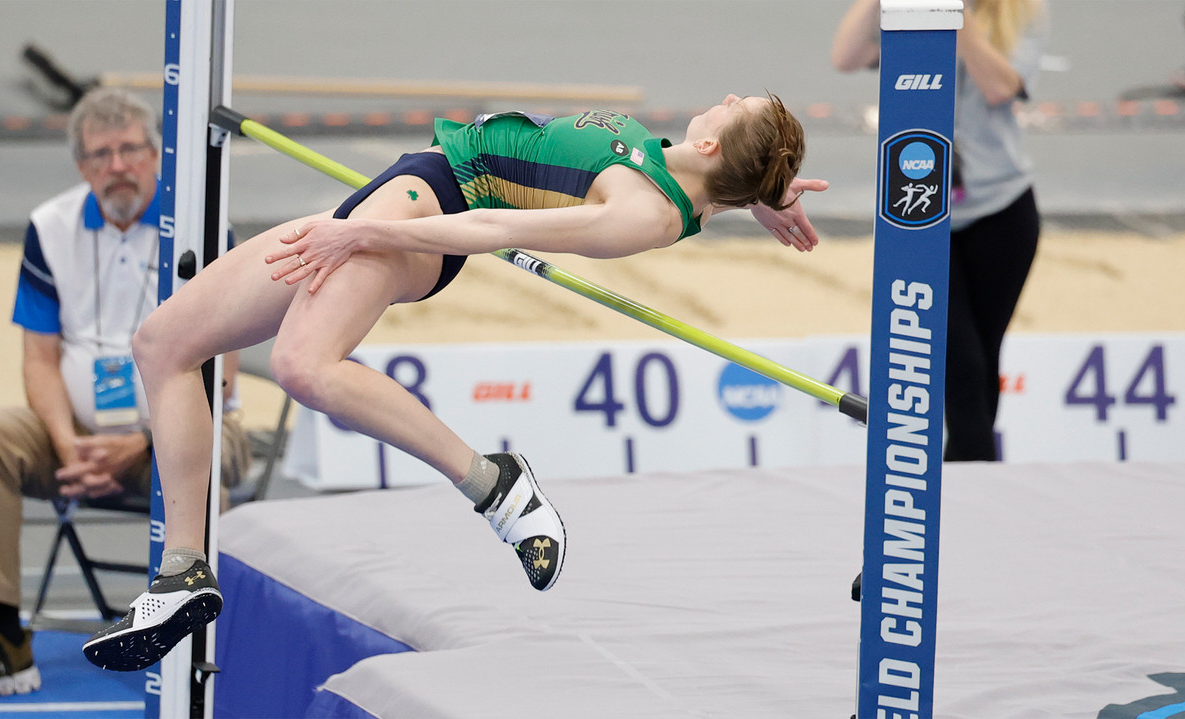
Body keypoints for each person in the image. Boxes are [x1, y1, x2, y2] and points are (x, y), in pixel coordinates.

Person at [81, 93, 828, 673]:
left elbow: (494, 229)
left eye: (738, 108)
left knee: (302, 364)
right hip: (408, 189)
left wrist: (365, 231)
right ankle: (183, 569)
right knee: (163, 343)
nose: (726, 97)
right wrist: (761, 194)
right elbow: (705, 175)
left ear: (711, 144)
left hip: (426, 208)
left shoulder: (640, 213)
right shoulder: (678, 166)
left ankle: (494, 483)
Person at [0, 88, 250, 700]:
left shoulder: (202, 224)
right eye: (101, 154)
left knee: (218, 455)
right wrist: (67, 443)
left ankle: (200, 639)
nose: (118, 165)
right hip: (77, 439)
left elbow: (223, 369)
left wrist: (139, 444)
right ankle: (4, 638)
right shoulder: (49, 228)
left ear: (157, 156)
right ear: (82, 166)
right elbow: (39, 357)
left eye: (131, 150)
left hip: (184, 433)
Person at [832, 0, 1047, 460]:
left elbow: (999, 87)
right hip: (923, 214)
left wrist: (954, 14)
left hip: (1003, 210)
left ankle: (971, 480)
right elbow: (846, 57)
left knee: (983, 361)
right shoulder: (913, 11)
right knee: (958, 362)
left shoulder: (1022, 13)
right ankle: (972, 478)